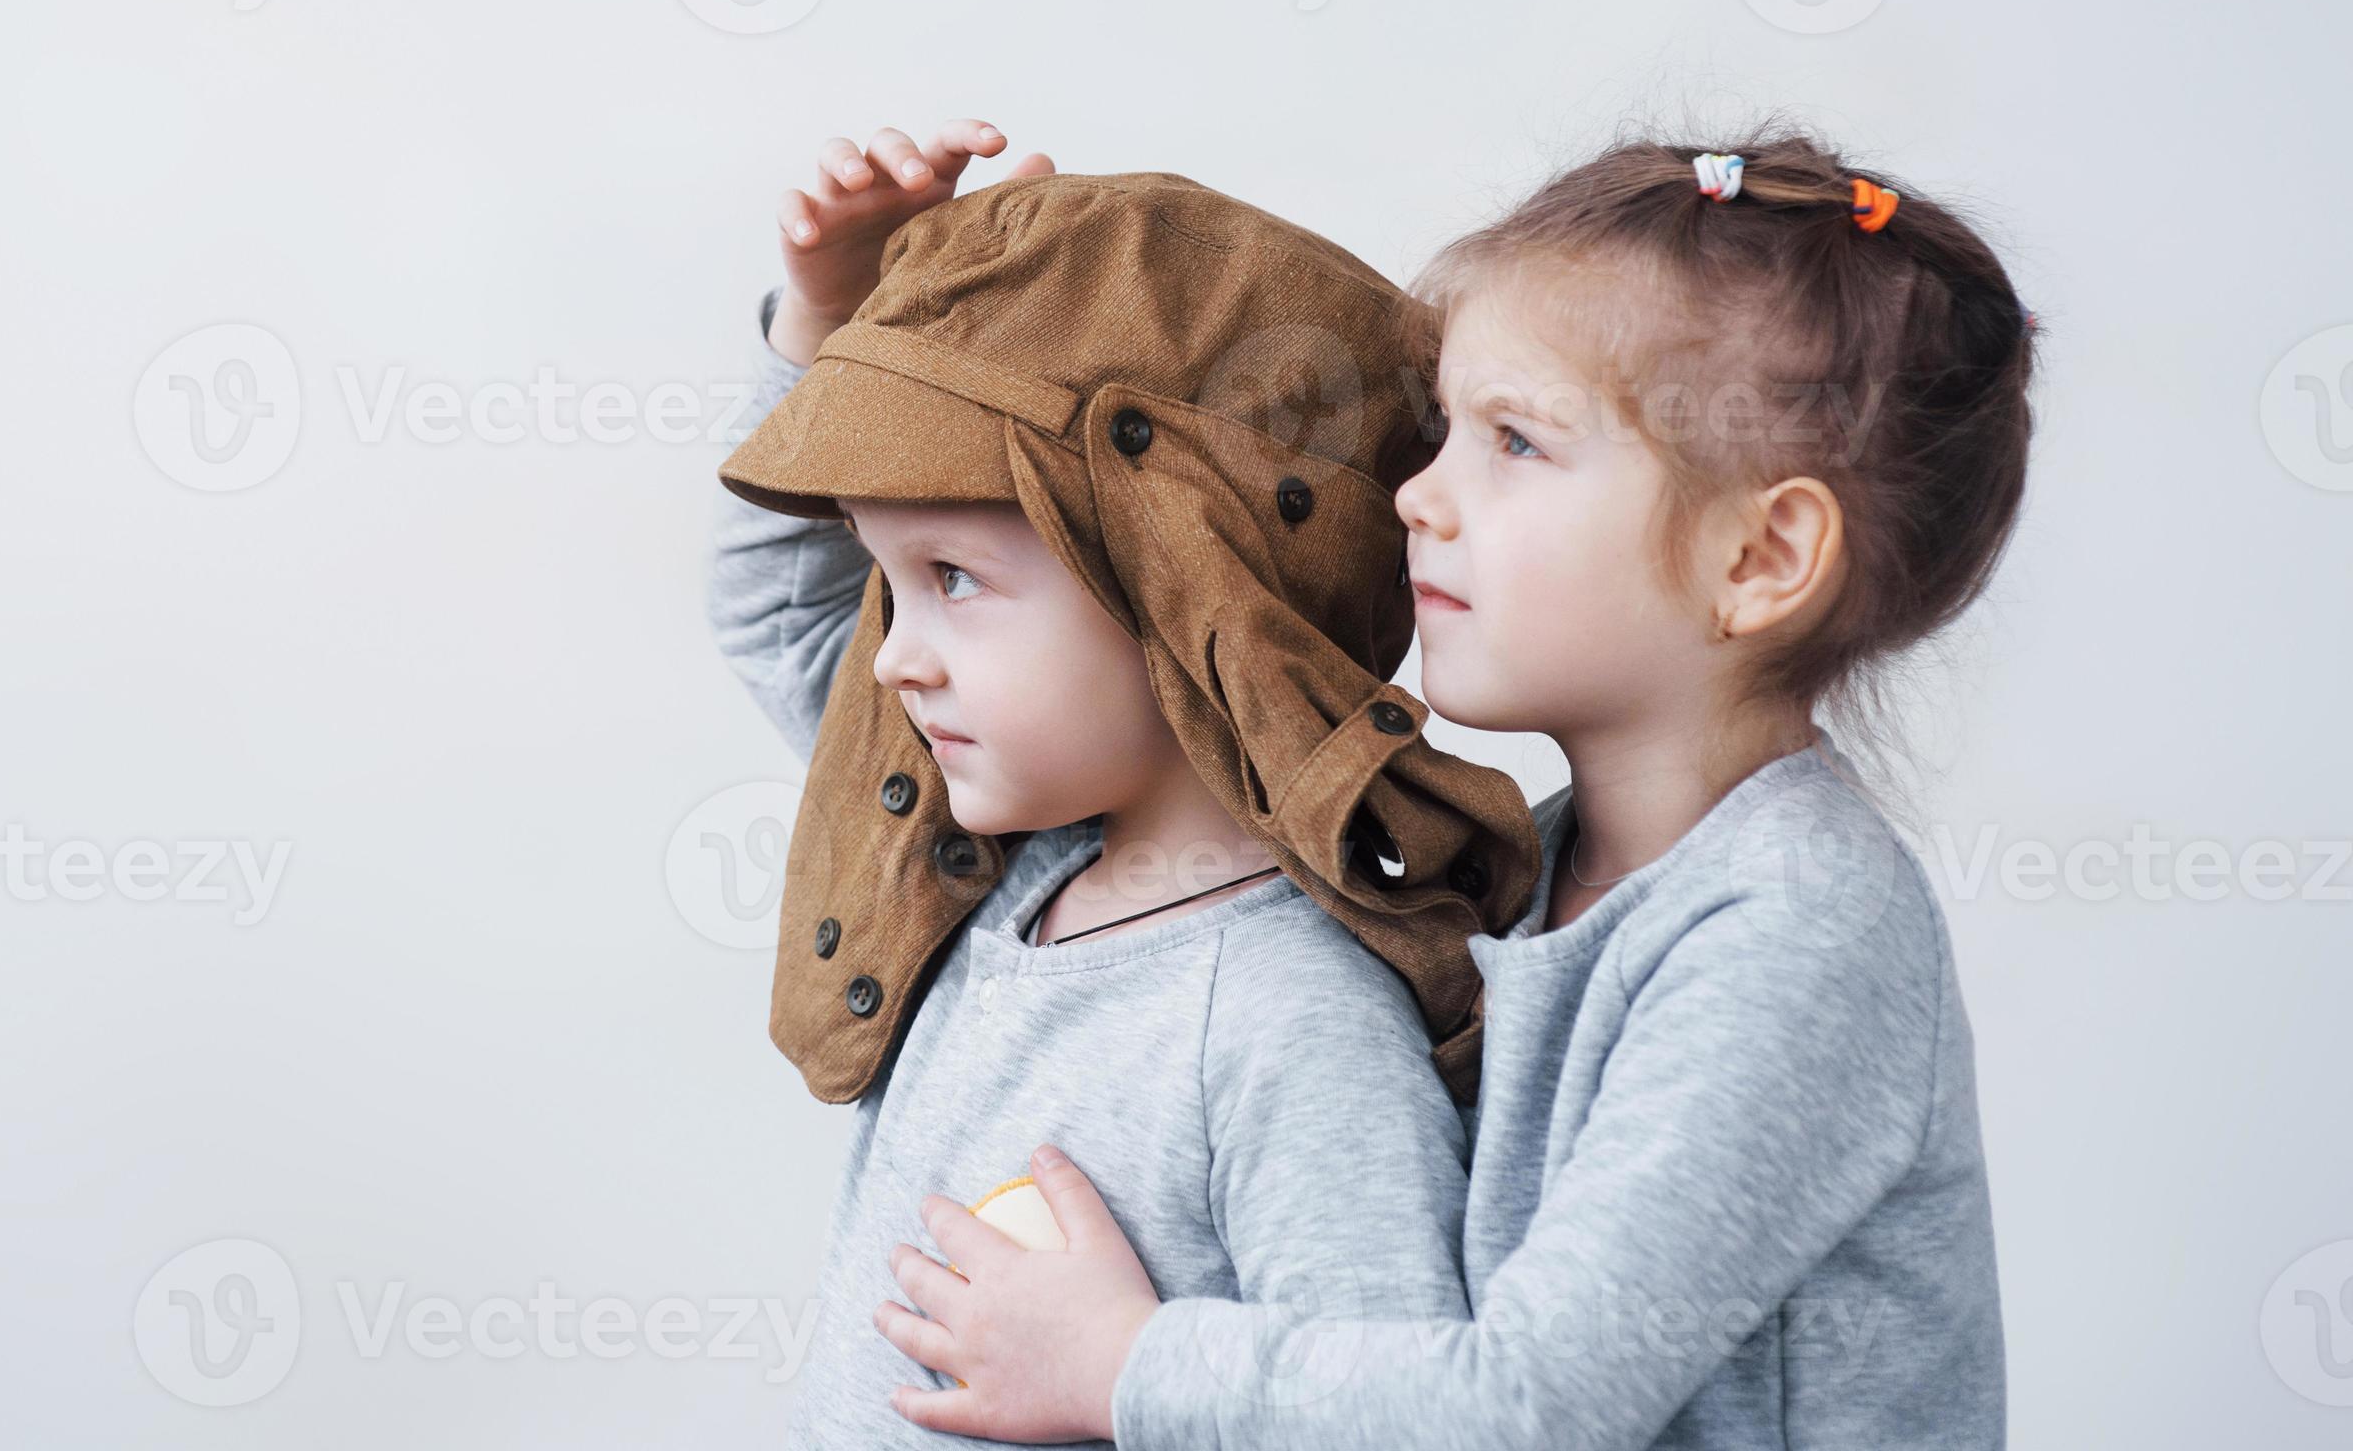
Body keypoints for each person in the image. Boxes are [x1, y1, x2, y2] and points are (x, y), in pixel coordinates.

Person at [865, 126, 2032, 1449]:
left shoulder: (1798, 932)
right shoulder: (1529, 872)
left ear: (1760, 557)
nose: (1420, 497)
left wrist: (1123, 1365)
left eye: (1515, 443)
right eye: (1444, 435)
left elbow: (1524, 1408)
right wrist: (976, 313)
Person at [706, 125, 1538, 1448]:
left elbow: (1396, 1417)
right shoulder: (988, 868)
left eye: (954, 580)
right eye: (887, 578)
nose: (896, 657)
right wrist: (823, 315)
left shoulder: (1288, 1024)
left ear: (1176, 588)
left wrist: (1126, 1367)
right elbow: (775, 612)